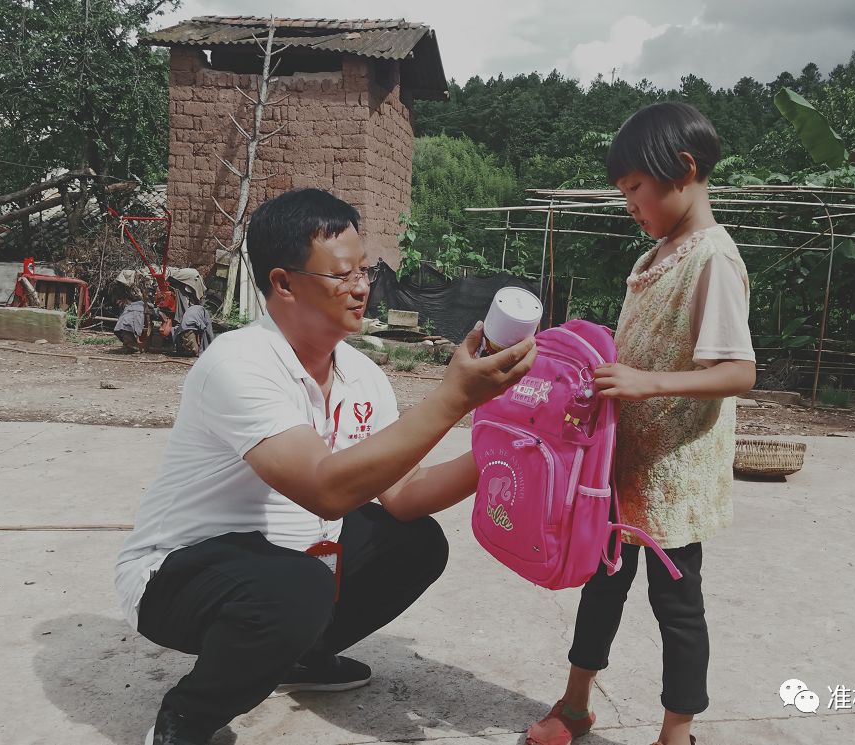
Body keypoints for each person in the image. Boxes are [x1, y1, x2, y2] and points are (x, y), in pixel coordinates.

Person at [115, 188, 536, 745]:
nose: (362, 287)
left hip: (289, 566)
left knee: (414, 542)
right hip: (179, 575)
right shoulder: (238, 363)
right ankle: (187, 717)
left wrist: (509, 451)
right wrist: (454, 398)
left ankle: (300, 657)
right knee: (298, 588)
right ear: (283, 282)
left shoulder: (363, 375)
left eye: (365, 270)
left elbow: (404, 494)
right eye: (343, 275)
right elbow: (324, 491)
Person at [525, 102, 757, 745]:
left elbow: (738, 372)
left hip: (673, 474)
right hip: (618, 466)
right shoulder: (654, 256)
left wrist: (645, 383)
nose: (628, 203)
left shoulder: (713, 258)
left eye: (634, 189)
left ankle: (676, 732)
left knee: (677, 606)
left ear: (683, 170)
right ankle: (575, 705)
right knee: (602, 586)